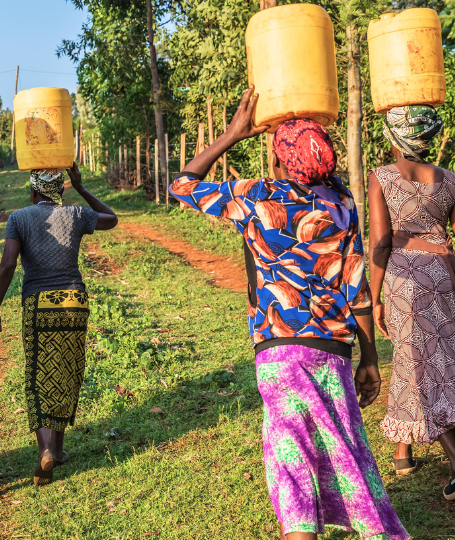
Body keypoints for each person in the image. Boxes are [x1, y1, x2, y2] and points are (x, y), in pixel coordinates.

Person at [168, 88, 409, 540]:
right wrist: (371, 357)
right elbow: (355, 286)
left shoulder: (256, 197)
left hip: (277, 355)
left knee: (291, 464)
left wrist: (232, 134)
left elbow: (180, 186)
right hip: (331, 349)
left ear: (279, 161)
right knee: (348, 455)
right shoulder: (341, 206)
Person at [368, 105, 455, 501]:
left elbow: (380, 243)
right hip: (445, 278)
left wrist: (373, 296)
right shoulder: (448, 180)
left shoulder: (381, 177)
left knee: (422, 366)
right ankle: (403, 450)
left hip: (404, 280)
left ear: (393, 137)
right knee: (420, 359)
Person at [0, 164, 117, 486]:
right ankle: (57, 451)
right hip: (74, 303)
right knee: (66, 373)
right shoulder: (75, 214)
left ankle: (46, 448)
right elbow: (111, 219)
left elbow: (7, 265)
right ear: (61, 191)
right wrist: (83, 189)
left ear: (32, 192)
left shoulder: (19, 218)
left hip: (38, 305)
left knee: (38, 375)